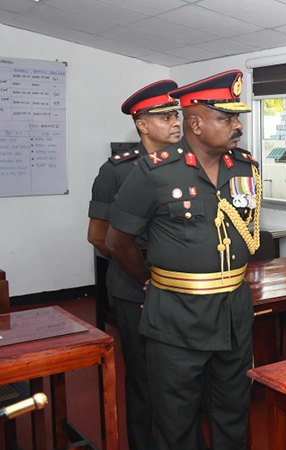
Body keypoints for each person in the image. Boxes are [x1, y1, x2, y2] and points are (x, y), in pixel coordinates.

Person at [105, 69, 260, 450]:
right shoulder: (155, 171)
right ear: (195, 123)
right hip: (177, 316)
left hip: (233, 313)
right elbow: (117, 241)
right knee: (176, 422)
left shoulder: (245, 166)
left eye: (237, 118)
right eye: (226, 118)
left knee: (234, 414)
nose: (237, 126)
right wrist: (148, 279)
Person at [87, 79, 181, 450]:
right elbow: (98, 236)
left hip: (178, 285)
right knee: (143, 377)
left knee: (179, 375)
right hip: (134, 288)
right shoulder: (116, 172)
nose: (175, 122)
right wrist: (140, 274)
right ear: (142, 124)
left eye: (176, 115)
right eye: (165, 117)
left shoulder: (185, 165)